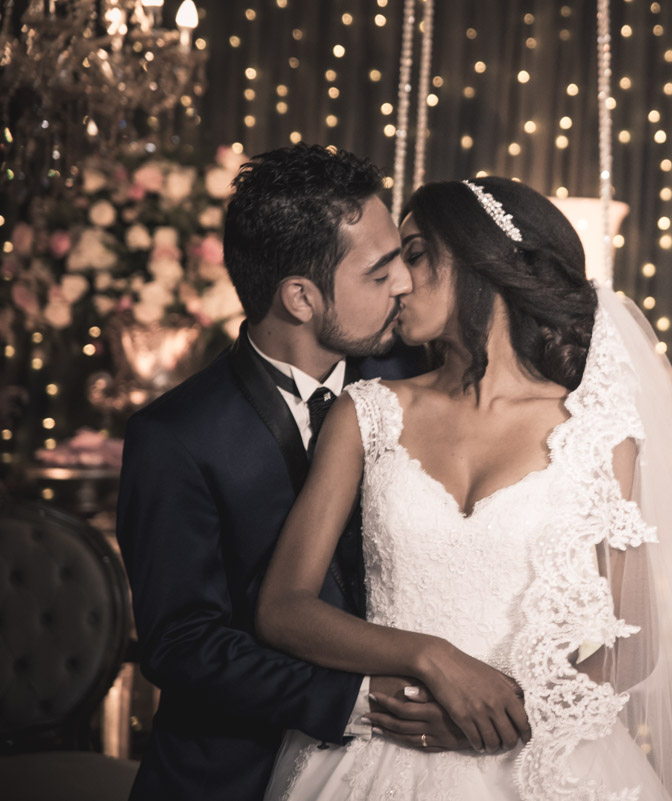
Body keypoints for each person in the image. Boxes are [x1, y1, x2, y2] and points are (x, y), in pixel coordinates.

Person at [257, 176, 672, 801]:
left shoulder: (598, 432)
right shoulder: (367, 412)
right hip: (382, 747)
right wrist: (432, 657)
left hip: (545, 762)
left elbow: (637, 639)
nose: (399, 282)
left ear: (480, 263)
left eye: (414, 254)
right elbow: (284, 608)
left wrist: (514, 714)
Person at [116, 144, 467, 801]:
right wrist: (359, 699)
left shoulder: (417, 394)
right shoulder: (173, 437)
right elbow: (183, 644)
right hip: (230, 777)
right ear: (301, 298)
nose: (404, 284)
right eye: (379, 271)